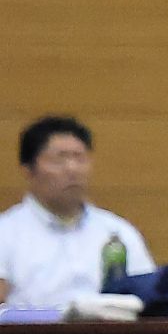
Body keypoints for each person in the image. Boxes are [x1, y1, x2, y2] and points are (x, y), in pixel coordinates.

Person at [0, 117, 153, 313]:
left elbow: (148, 298)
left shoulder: (118, 231)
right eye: (59, 159)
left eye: (80, 158)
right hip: (36, 332)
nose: (72, 169)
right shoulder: (6, 233)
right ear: (28, 170)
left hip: (108, 331)